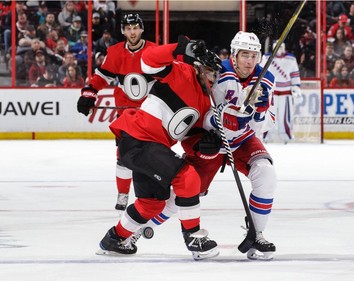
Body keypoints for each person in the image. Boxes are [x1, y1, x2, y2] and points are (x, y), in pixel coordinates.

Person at [127, 31, 278, 261]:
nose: (249, 61)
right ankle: (137, 230)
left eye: (254, 55)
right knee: (186, 191)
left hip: (242, 140)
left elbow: (262, 126)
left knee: (266, 173)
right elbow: (201, 112)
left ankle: (256, 235)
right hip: (211, 140)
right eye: (244, 54)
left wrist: (259, 110)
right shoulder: (218, 73)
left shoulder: (266, 79)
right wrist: (213, 130)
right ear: (234, 55)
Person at [96, 35, 222, 260]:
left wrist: (207, 147)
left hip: (146, 147)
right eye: (209, 71)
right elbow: (148, 60)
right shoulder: (180, 72)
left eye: (215, 74)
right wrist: (181, 48)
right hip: (140, 140)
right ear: (197, 67)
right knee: (187, 177)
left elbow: (191, 141)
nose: (212, 78)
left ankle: (113, 239)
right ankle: (193, 237)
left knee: (151, 204)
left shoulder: (204, 105)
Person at [77, 13, 157, 212]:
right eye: (128, 28)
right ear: (123, 30)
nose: (132, 32)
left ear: (141, 29)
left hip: (152, 111)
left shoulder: (154, 51)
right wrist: (89, 93)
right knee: (123, 155)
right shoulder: (114, 52)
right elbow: (102, 76)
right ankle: (123, 193)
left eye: (135, 28)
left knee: (154, 154)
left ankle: (153, 190)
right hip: (126, 114)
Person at [260, 41, 301, 144]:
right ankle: (266, 136)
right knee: (269, 115)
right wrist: (261, 86)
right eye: (277, 47)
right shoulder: (267, 58)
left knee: (285, 116)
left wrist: (296, 86)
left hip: (286, 91)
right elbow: (261, 72)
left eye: (281, 47)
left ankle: (286, 136)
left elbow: (294, 74)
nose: (279, 49)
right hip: (271, 92)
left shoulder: (291, 59)